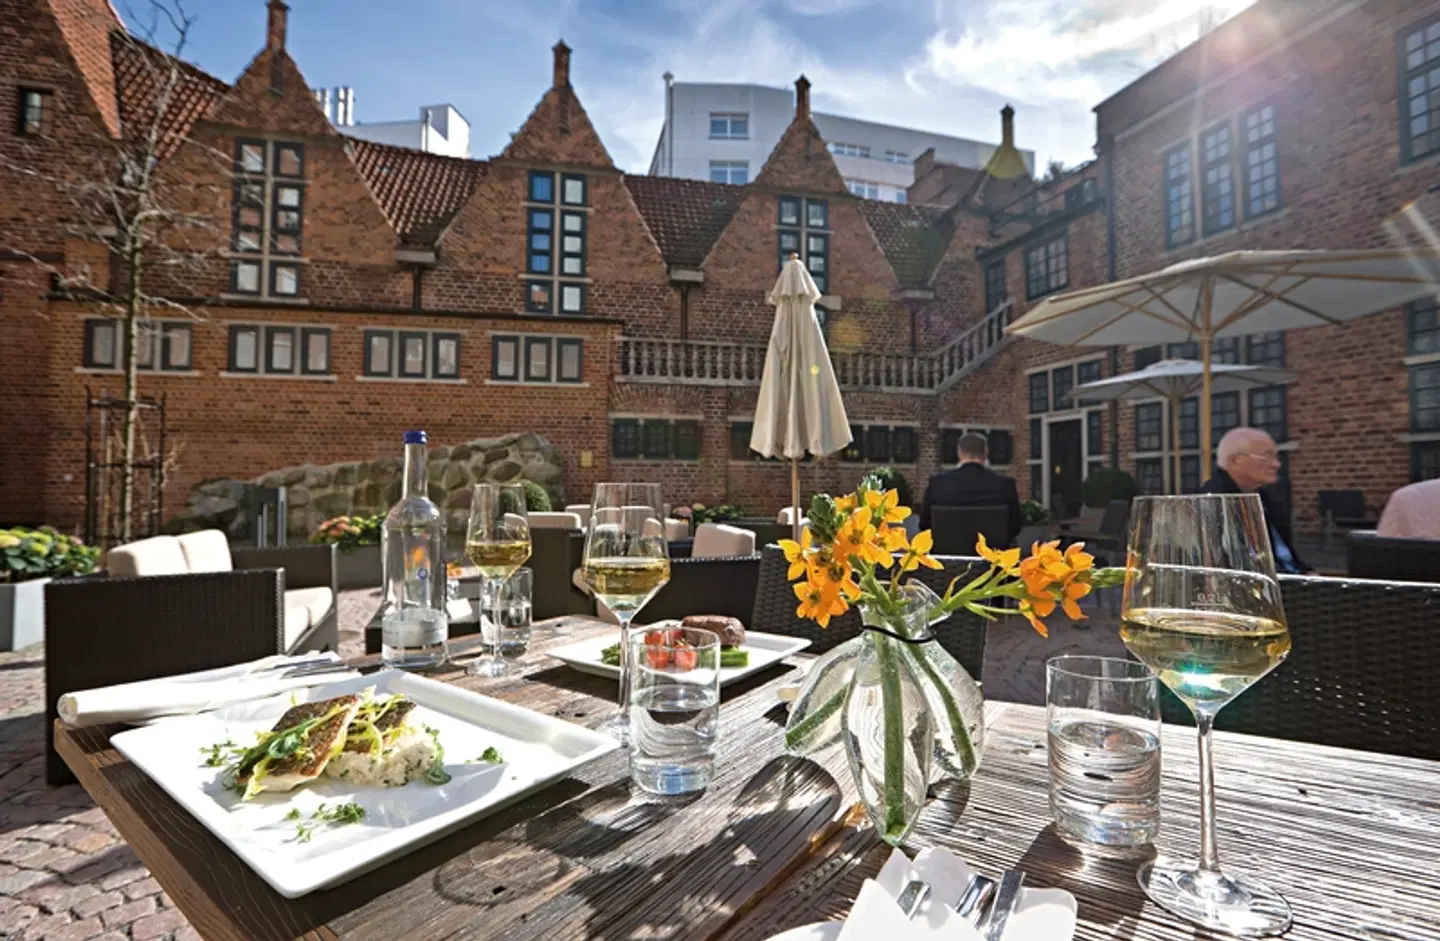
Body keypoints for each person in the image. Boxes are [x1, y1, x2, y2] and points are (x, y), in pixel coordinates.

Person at [1202, 427, 1313, 574]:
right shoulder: (1213, 503)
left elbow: (1284, 553)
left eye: (1276, 457)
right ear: (1235, 460)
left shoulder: (1270, 496)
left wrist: (1306, 572)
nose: (1276, 464)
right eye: (1267, 456)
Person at [919, 432, 1022, 545]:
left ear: (959, 452)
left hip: (946, 554)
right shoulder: (1005, 485)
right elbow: (1015, 527)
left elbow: (924, 524)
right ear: (986, 452)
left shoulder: (938, 483)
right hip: (991, 553)